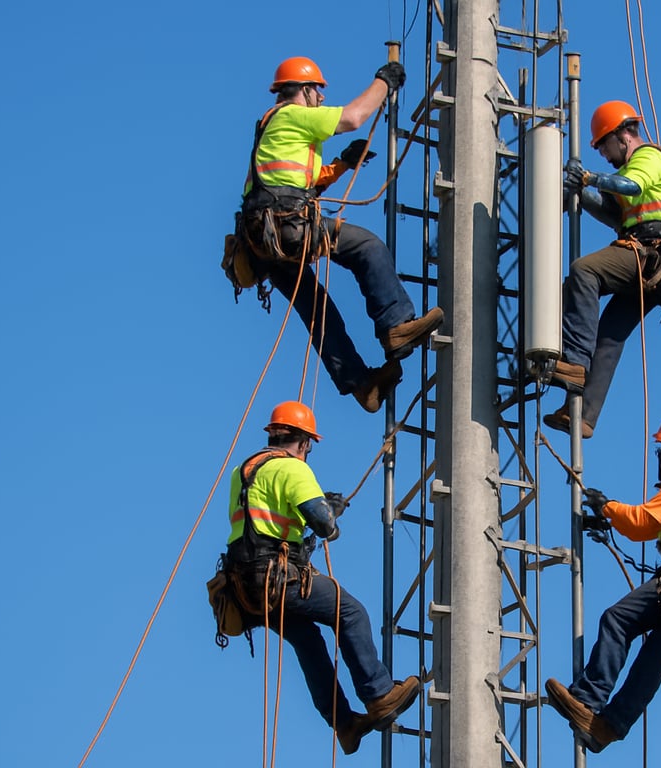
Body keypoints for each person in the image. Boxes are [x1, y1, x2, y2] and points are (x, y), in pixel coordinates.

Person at [231, 56, 443, 414]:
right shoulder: (292, 115)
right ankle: (397, 326)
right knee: (367, 247)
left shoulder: (274, 130)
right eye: (317, 91)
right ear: (305, 90)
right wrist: (384, 81)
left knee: (318, 313)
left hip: (264, 240)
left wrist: (344, 163)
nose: (321, 99)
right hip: (286, 227)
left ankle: (362, 385)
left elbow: (307, 181)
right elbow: (354, 117)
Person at [218, 401, 421, 754]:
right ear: (303, 442)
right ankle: (379, 694)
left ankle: (345, 725)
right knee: (349, 611)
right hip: (277, 579)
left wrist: (316, 512)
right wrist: (330, 512)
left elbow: (268, 521)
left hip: (247, 588)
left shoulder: (245, 470)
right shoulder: (292, 469)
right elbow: (323, 524)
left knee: (308, 642)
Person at [545, 413, 661, 752]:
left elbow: (643, 524)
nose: (660, 460)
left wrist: (608, 508)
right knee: (651, 662)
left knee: (617, 620)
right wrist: (611, 522)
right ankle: (611, 725)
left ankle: (588, 699)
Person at [545, 101, 661, 438]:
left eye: (604, 146)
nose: (604, 155)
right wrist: (583, 192)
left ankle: (575, 362)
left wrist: (591, 178)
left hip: (650, 253)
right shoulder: (623, 171)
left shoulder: (648, 158)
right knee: (608, 335)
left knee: (584, 272)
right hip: (655, 266)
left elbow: (632, 187)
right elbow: (615, 214)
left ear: (622, 136)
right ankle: (584, 415)